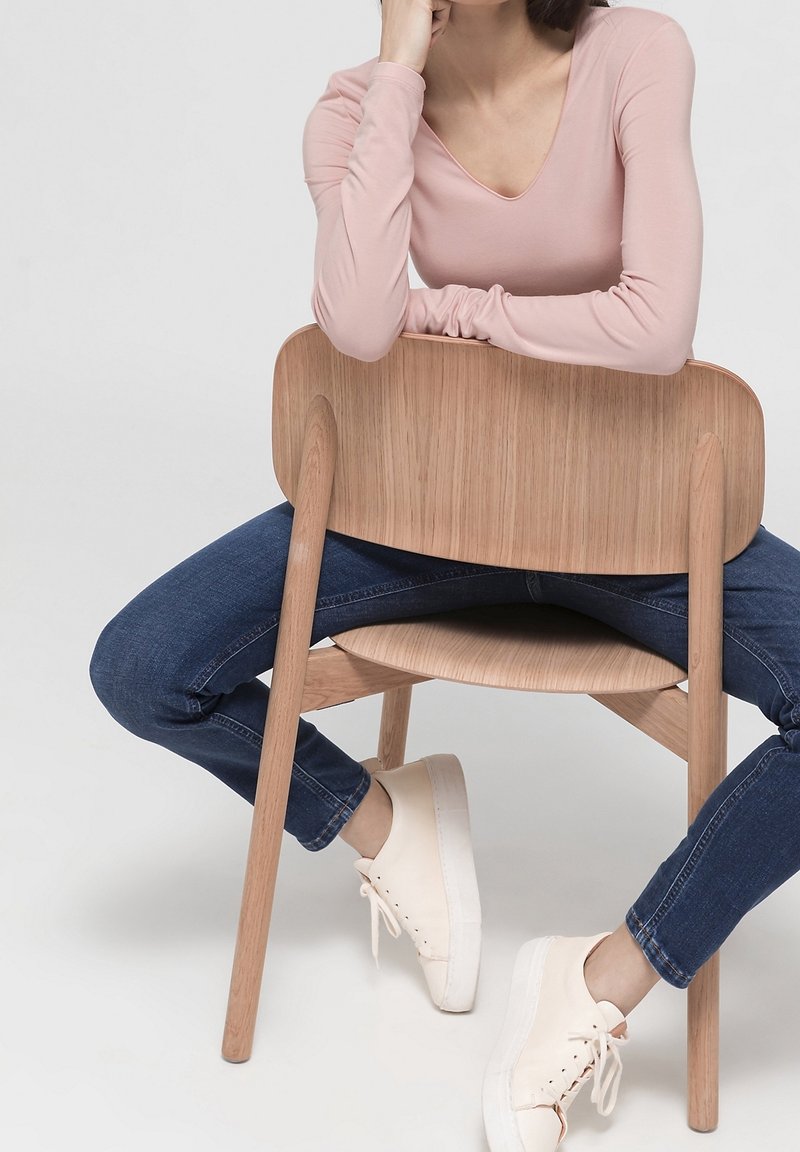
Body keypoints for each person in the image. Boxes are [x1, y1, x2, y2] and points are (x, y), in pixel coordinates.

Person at [88, 1, 800, 1148]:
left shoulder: (635, 54)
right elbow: (361, 328)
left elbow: (657, 327)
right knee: (142, 665)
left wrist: (458, 314)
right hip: (418, 524)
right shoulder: (351, 113)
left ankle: (599, 977)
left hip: (627, 531)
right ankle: (383, 823)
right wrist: (399, 69)